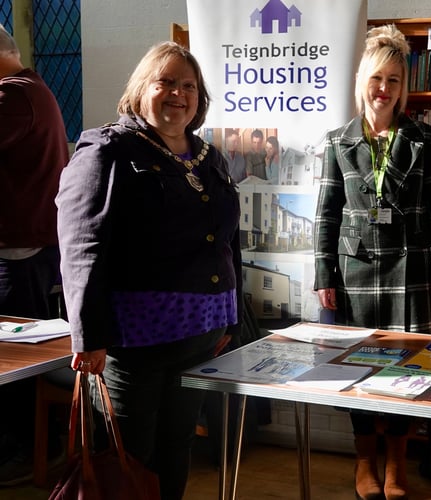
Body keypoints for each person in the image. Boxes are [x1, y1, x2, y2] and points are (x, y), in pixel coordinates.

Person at [56, 41, 242, 500]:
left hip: (201, 336)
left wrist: (229, 316)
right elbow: (81, 247)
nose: (178, 94)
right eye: (166, 82)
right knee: (129, 459)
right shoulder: (107, 150)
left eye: (188, 86)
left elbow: (226, 244)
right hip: (133, 343)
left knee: (176, 448)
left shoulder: (208, 156)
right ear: (142, 89)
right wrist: (88, 335)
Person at [314, 24, 431, 500]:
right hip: (355, 273)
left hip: (411, 268)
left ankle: (397, 465)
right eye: (377, 78)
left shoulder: (423, 137)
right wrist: (323, 276)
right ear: (363, 83)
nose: (384, 89)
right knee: (357, 367)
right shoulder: (338, 140)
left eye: (394, 80)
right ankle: (364, 464)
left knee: (406, 368)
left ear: (403, 88)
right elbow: (327, 213)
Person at [0, 23, 69, 485]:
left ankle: (26, 452)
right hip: (29, 250)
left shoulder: (13, 96)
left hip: (21, 253)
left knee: (14, 361)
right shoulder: (32, 90)